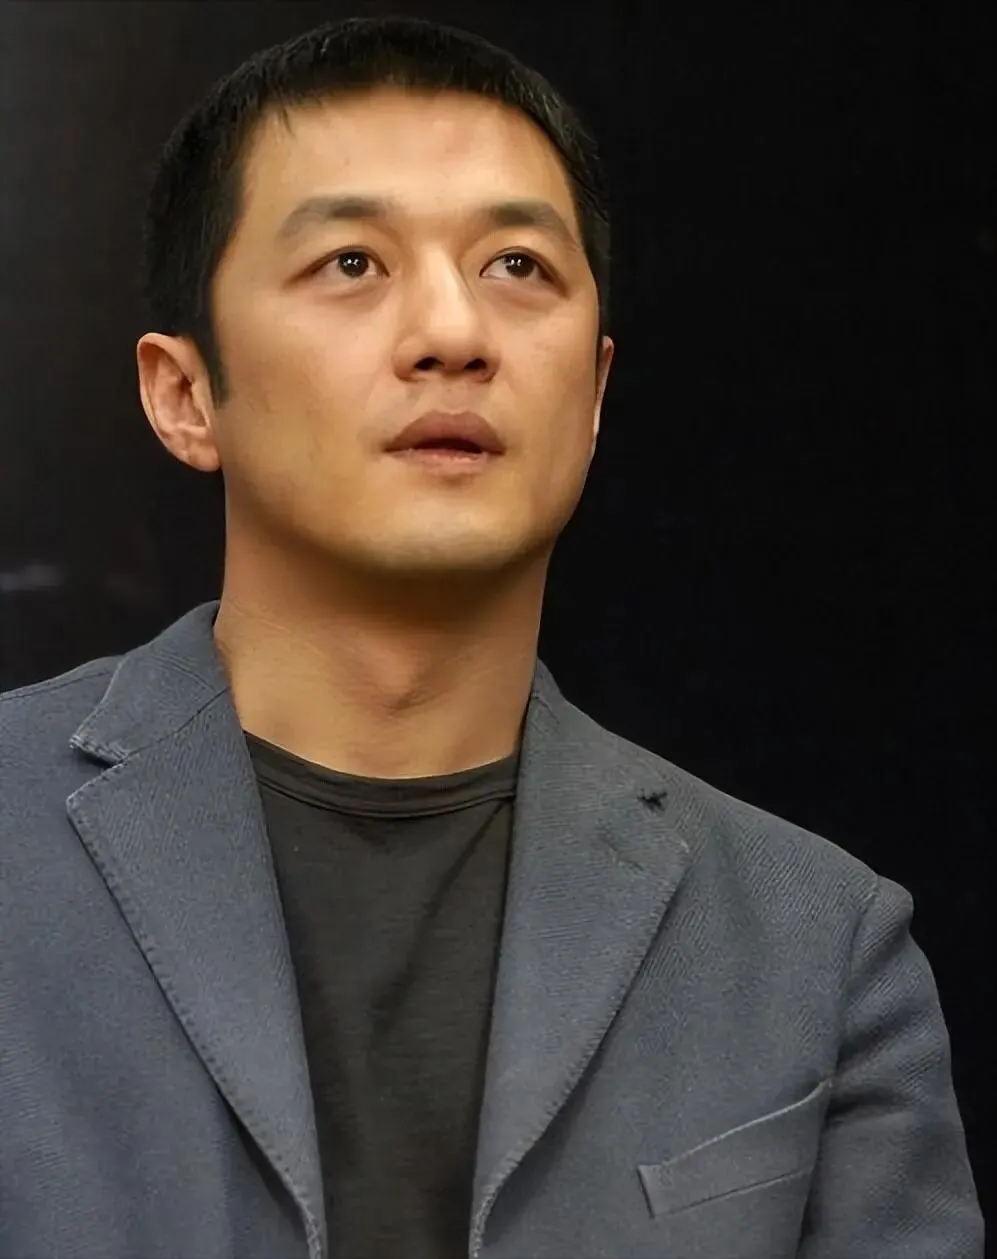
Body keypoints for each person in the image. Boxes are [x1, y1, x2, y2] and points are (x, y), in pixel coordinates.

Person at [0, 15, 983, 1259]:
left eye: (517, 265)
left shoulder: (817, 944)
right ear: (186, 394)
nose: (453, 332)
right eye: (352, 262)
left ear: (595, 392)